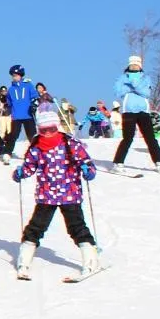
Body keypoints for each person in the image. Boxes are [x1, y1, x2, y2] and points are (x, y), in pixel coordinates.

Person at [11, 110, 99, 278]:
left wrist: (89, 170)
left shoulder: (69, 143)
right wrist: (21, 172)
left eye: (51, 129)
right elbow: (30, 165)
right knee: (36, 227)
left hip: (69, 193)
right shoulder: (36, 146)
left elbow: (85, 161)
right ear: (38, 129)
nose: (48, 133)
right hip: (47, 195)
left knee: (76, 227)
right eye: (43, 130)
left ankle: (90, 259)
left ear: (57, 126)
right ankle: (24, 260)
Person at [110, 55, 160, 173]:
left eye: (136, 64)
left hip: (143, 111)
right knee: (127, 138)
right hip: (128, 111)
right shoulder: (122, 78)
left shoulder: (145, 78)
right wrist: (132, 88)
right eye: (132, 64)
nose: (134, 66)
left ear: (140, 66)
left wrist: (133, 86)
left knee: (150, 138)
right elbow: (118, 91)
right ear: (129, 65)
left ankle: (158, 162)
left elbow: (146, 93)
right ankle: (118, 163)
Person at [0, 65, 39, 165]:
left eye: (16, 75)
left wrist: (34, 104)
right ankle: (7, 153)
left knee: (32, 135)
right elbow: (9, 103)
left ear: (21, 75)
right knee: (13, 135)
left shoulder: (28, 85)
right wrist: (4, 101)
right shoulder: (11, 89)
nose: (14, 77)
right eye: (13, 75)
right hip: (16, 116)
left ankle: (37, 154)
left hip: (28, 115)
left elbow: (35, 96)